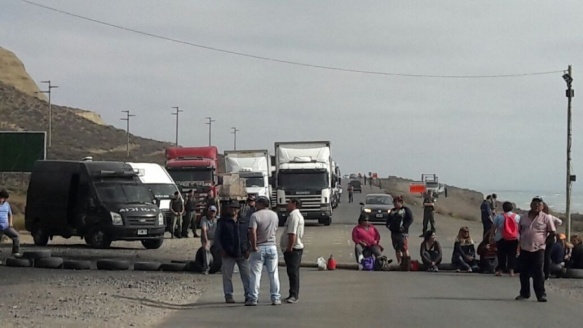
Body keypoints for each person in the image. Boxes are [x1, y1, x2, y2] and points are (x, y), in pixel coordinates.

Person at [516, 196, 555, 303]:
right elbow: (519, 231)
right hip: (524, 248)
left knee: (538, 273)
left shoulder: (546, 218)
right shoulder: (523, 217)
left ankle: (541, 294)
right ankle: (524, 293)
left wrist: (544, 243)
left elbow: (552, 232)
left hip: (539, 249)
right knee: (523, 272)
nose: (537, 206)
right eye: (535, 204)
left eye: (539, 204)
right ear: (531, 205)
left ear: (542, 206)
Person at [214, 201, 251, 304]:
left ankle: (248, 294)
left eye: (234, 208)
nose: (232, 210)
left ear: (238, 210)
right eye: (230, 208)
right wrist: (220, 249)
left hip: (242, 252)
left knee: (246, 276)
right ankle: (228, 295)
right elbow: (217, 237)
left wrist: (249, 249)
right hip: (228, 252)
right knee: (227, 276)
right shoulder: (222, 222)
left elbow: (249, 236)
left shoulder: (244, 221)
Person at [248, 197, 281, 306]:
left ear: (261, 204)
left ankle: (253, 298)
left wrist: (253, 246)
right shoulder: (274, 215)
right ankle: (275, 297)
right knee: (273, 274)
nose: (255, 205)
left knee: (255, 275)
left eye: (257, 203)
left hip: (259, 247)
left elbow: (252, 232)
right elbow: (275, 229)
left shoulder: (255, 216)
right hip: (272, 246)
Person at [280, 198, 305, 304]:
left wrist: (289, 247)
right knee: (291, 272)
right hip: (293, 248)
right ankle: (291, 293)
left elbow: (292, 234)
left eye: (289, 203)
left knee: (293, 273)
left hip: (294, 249)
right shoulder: (293, 215)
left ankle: (294, 295)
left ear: (294, 204)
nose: (287, 205)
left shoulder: (294, 216)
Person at [490, 201, 520, 276]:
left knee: (501, 254)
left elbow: (493, 227)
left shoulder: (499, 216)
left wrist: (492, 236)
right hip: (514, 238)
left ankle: (500, 270)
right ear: (512, 208)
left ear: (503, 208)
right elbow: (520, 228)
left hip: (501, 238)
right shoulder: (517, 216)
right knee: (512, 254)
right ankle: (511, 271)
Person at [386, 195, 413, 268]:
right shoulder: (392, 211)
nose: (395, 204)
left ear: (400, 202)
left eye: (396, 202)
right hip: (394, 233)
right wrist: (389, 226)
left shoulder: (406, 210)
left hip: (403, 233)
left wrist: (404, 227)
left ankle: (407, 263)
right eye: (394, 202)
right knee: (397, 248)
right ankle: (400, 263)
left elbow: (410, 219)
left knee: (404, 248)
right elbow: (388, 220)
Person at [542, 202, 563, 280]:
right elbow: (560, 221)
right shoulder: (550, 216)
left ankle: (542, 272)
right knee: (547, 256)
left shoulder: (543, 217)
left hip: (543, 238)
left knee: (542, 256)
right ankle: (546, 274)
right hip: (551, 238)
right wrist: (554, 226)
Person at [0, 190, 21, 256]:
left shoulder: (7, 205)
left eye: (5, 199)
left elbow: (10, 214)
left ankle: (15, 252)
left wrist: (10, 223)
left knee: (16, 236)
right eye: (3, 198)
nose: (4, 200)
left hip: (6, 226)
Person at [199, 205, 219, 275]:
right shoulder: (204, 219)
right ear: (208, 212)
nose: (212, 213)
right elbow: (203, 231)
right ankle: (206, 268)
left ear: (216, 212)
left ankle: (224, 268)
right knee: (205, 248)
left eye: (213, 212)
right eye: (211, 212)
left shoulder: (218, 219)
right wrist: (206, 241)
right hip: (208, 238)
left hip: (216, 239)